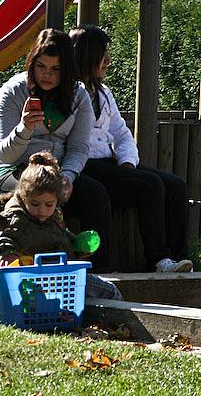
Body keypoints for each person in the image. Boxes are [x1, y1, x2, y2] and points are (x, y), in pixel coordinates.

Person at [71, 25, 192, 272]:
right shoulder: (70, 92)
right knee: (150, 184)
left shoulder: (104, 92)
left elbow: (121, 132)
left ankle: (180, 260)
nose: (108, 61)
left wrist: (127, 162)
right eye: (102, 55)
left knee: (176, 186)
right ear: (87, 56)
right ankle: (158, 259)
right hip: (84, 164)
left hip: (109, 163)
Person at [0, 28, 112, 269]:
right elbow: (5, 154)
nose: (47, 74)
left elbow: (79, 148)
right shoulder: (12, 91)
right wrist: (24, 128)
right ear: (32, 63)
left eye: (56, 69)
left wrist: (67, 176)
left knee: (95, 193)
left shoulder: (79, 95)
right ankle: (24, 260)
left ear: (67, 70)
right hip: (13, 168)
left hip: (56, 171)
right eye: (41, 66)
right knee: (40, 196)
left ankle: (95, 268)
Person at [0, 152, 122, 300]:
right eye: (34, 204)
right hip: (37, 279)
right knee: (110, 291)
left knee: (104, 290)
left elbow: (60, 235)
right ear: (23, 197)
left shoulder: (53, 217)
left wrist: (76, 245)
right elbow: (2, 238)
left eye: (48, 204)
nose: (42, 210)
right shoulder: (17, 218)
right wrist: (8, 253)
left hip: (58, 276)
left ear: (57, 200)